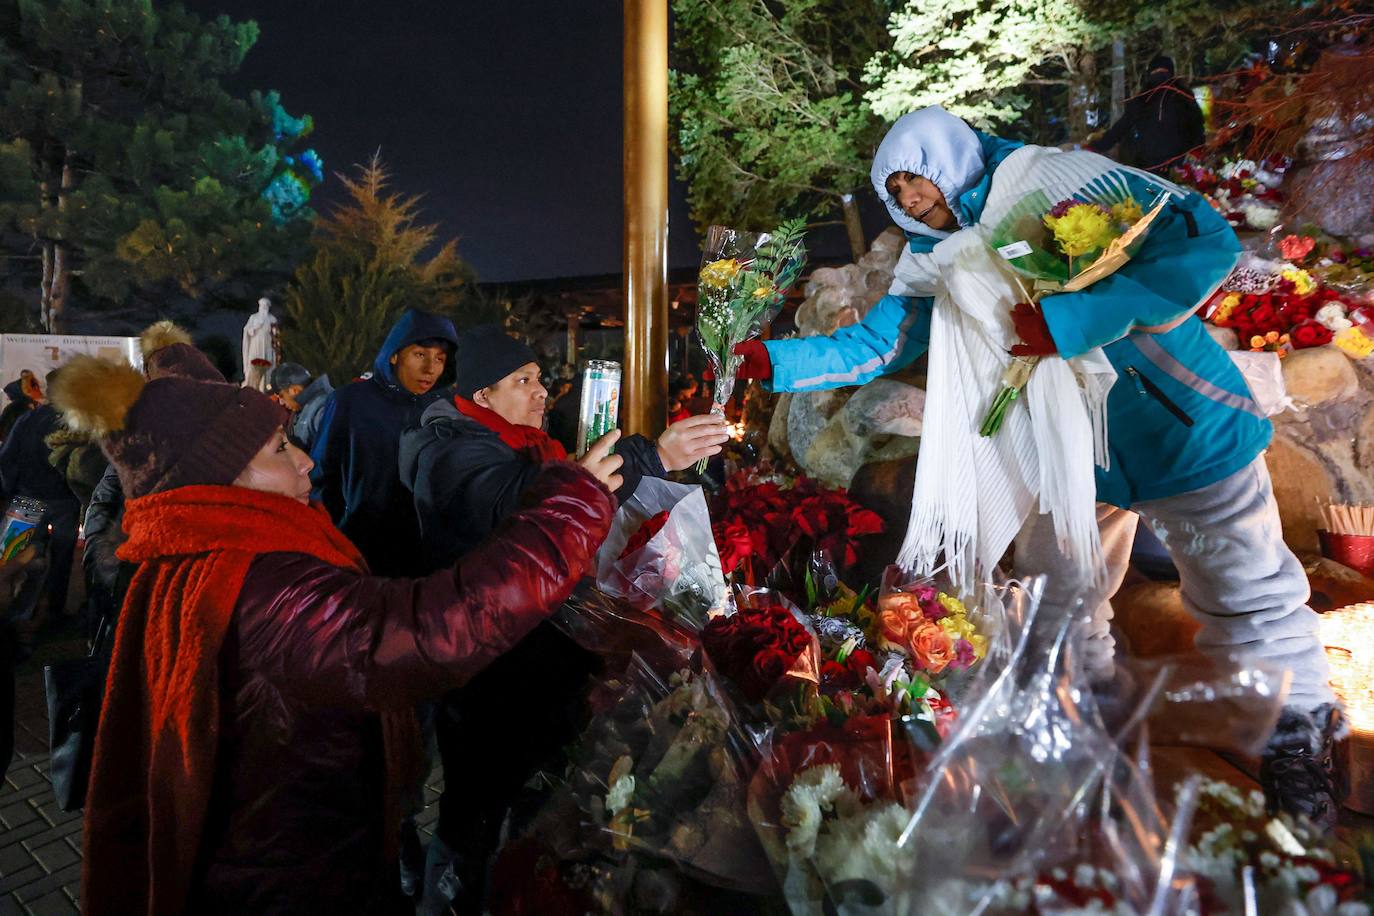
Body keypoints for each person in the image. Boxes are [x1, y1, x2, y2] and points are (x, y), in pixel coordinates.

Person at [728, 106, 1343, 827]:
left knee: (1245, 590)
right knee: (1059, 604)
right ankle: (1083, 735)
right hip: (1069, 449)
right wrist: (779, 361)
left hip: (1179, 421)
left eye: (917, 182)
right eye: (895, 193)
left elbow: (1201, 242)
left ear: (949, 161)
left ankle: (1298, 742)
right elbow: (877, 345)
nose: (912, 201)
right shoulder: (933, 259)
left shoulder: (1062, 182)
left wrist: (1073, 320)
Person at [51, 354, 614, 916]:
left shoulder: (207, 550)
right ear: (220, 478)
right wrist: (567, 507)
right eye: (278, 449)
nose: (306, 462)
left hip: (277, 845)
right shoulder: (263, 585)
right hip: (292, 872)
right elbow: (433, 631)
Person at [398, 324, 728, 914]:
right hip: (489, 666)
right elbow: (528, 502)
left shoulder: (530, 442)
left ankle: (514, 886)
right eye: (522, 380)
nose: (540, 390)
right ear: (481, 396)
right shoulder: (451, 451)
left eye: (540, 378)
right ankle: (446, 896)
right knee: (476, 799)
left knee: (536, 795)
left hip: (545, 651)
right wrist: (651, 455)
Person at [310, 308, 458, 577]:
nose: (430, 368)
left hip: (427, 563)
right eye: (420, 355)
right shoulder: (350, 402)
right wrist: (333, 541)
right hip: (360, 556)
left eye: (439, 358)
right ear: (394, 354)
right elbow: (322, 475)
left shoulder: (445, 408)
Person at [0, 369, 82, 623]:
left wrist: (8, 491)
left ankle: (15, 615)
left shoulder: (27, 421)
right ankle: (54, 615)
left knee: (13, 558)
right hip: (65, 501)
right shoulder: (78, 424)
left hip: (26, 497)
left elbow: (7, 459)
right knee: (61, 560)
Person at [1090, 55, 1206, 174]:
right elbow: (1122, 126)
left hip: (1177, 168)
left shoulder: (1182, 96)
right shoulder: (1143, 99)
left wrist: (1195, 151)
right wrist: (1097, 147)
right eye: (1155, 72)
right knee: (1150, 191)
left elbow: (1197, 125)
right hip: (1148, 168)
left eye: (1163, 71)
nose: (1159, 75)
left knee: (1170, 192)